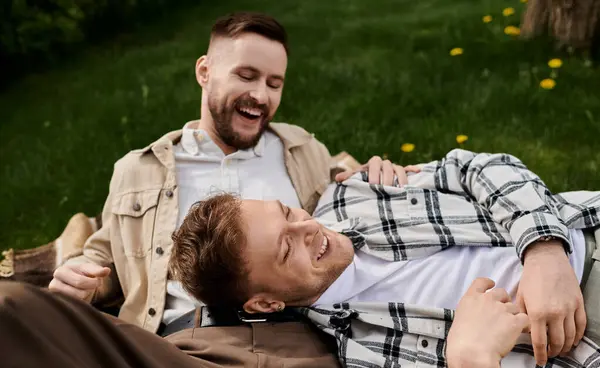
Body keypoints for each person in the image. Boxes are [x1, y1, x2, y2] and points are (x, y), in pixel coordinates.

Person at [46, 12, 401, 331]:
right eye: (246, 76)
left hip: (294, 334)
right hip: (187, 338)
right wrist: (85, 279)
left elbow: (349, 198)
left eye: (274, 84)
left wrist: (376, 171)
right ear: (204, 71)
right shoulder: (139, 170)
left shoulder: (302, 149)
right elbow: (107, 257)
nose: (260, 96)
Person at [169, 148, 600, 368]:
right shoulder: (366, 358)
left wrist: (543, 251)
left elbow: (475, 168)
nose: (310, 228)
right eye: (287, 247)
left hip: (581, 225)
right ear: (266, 303)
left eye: (288, 212)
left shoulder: (352, 193)